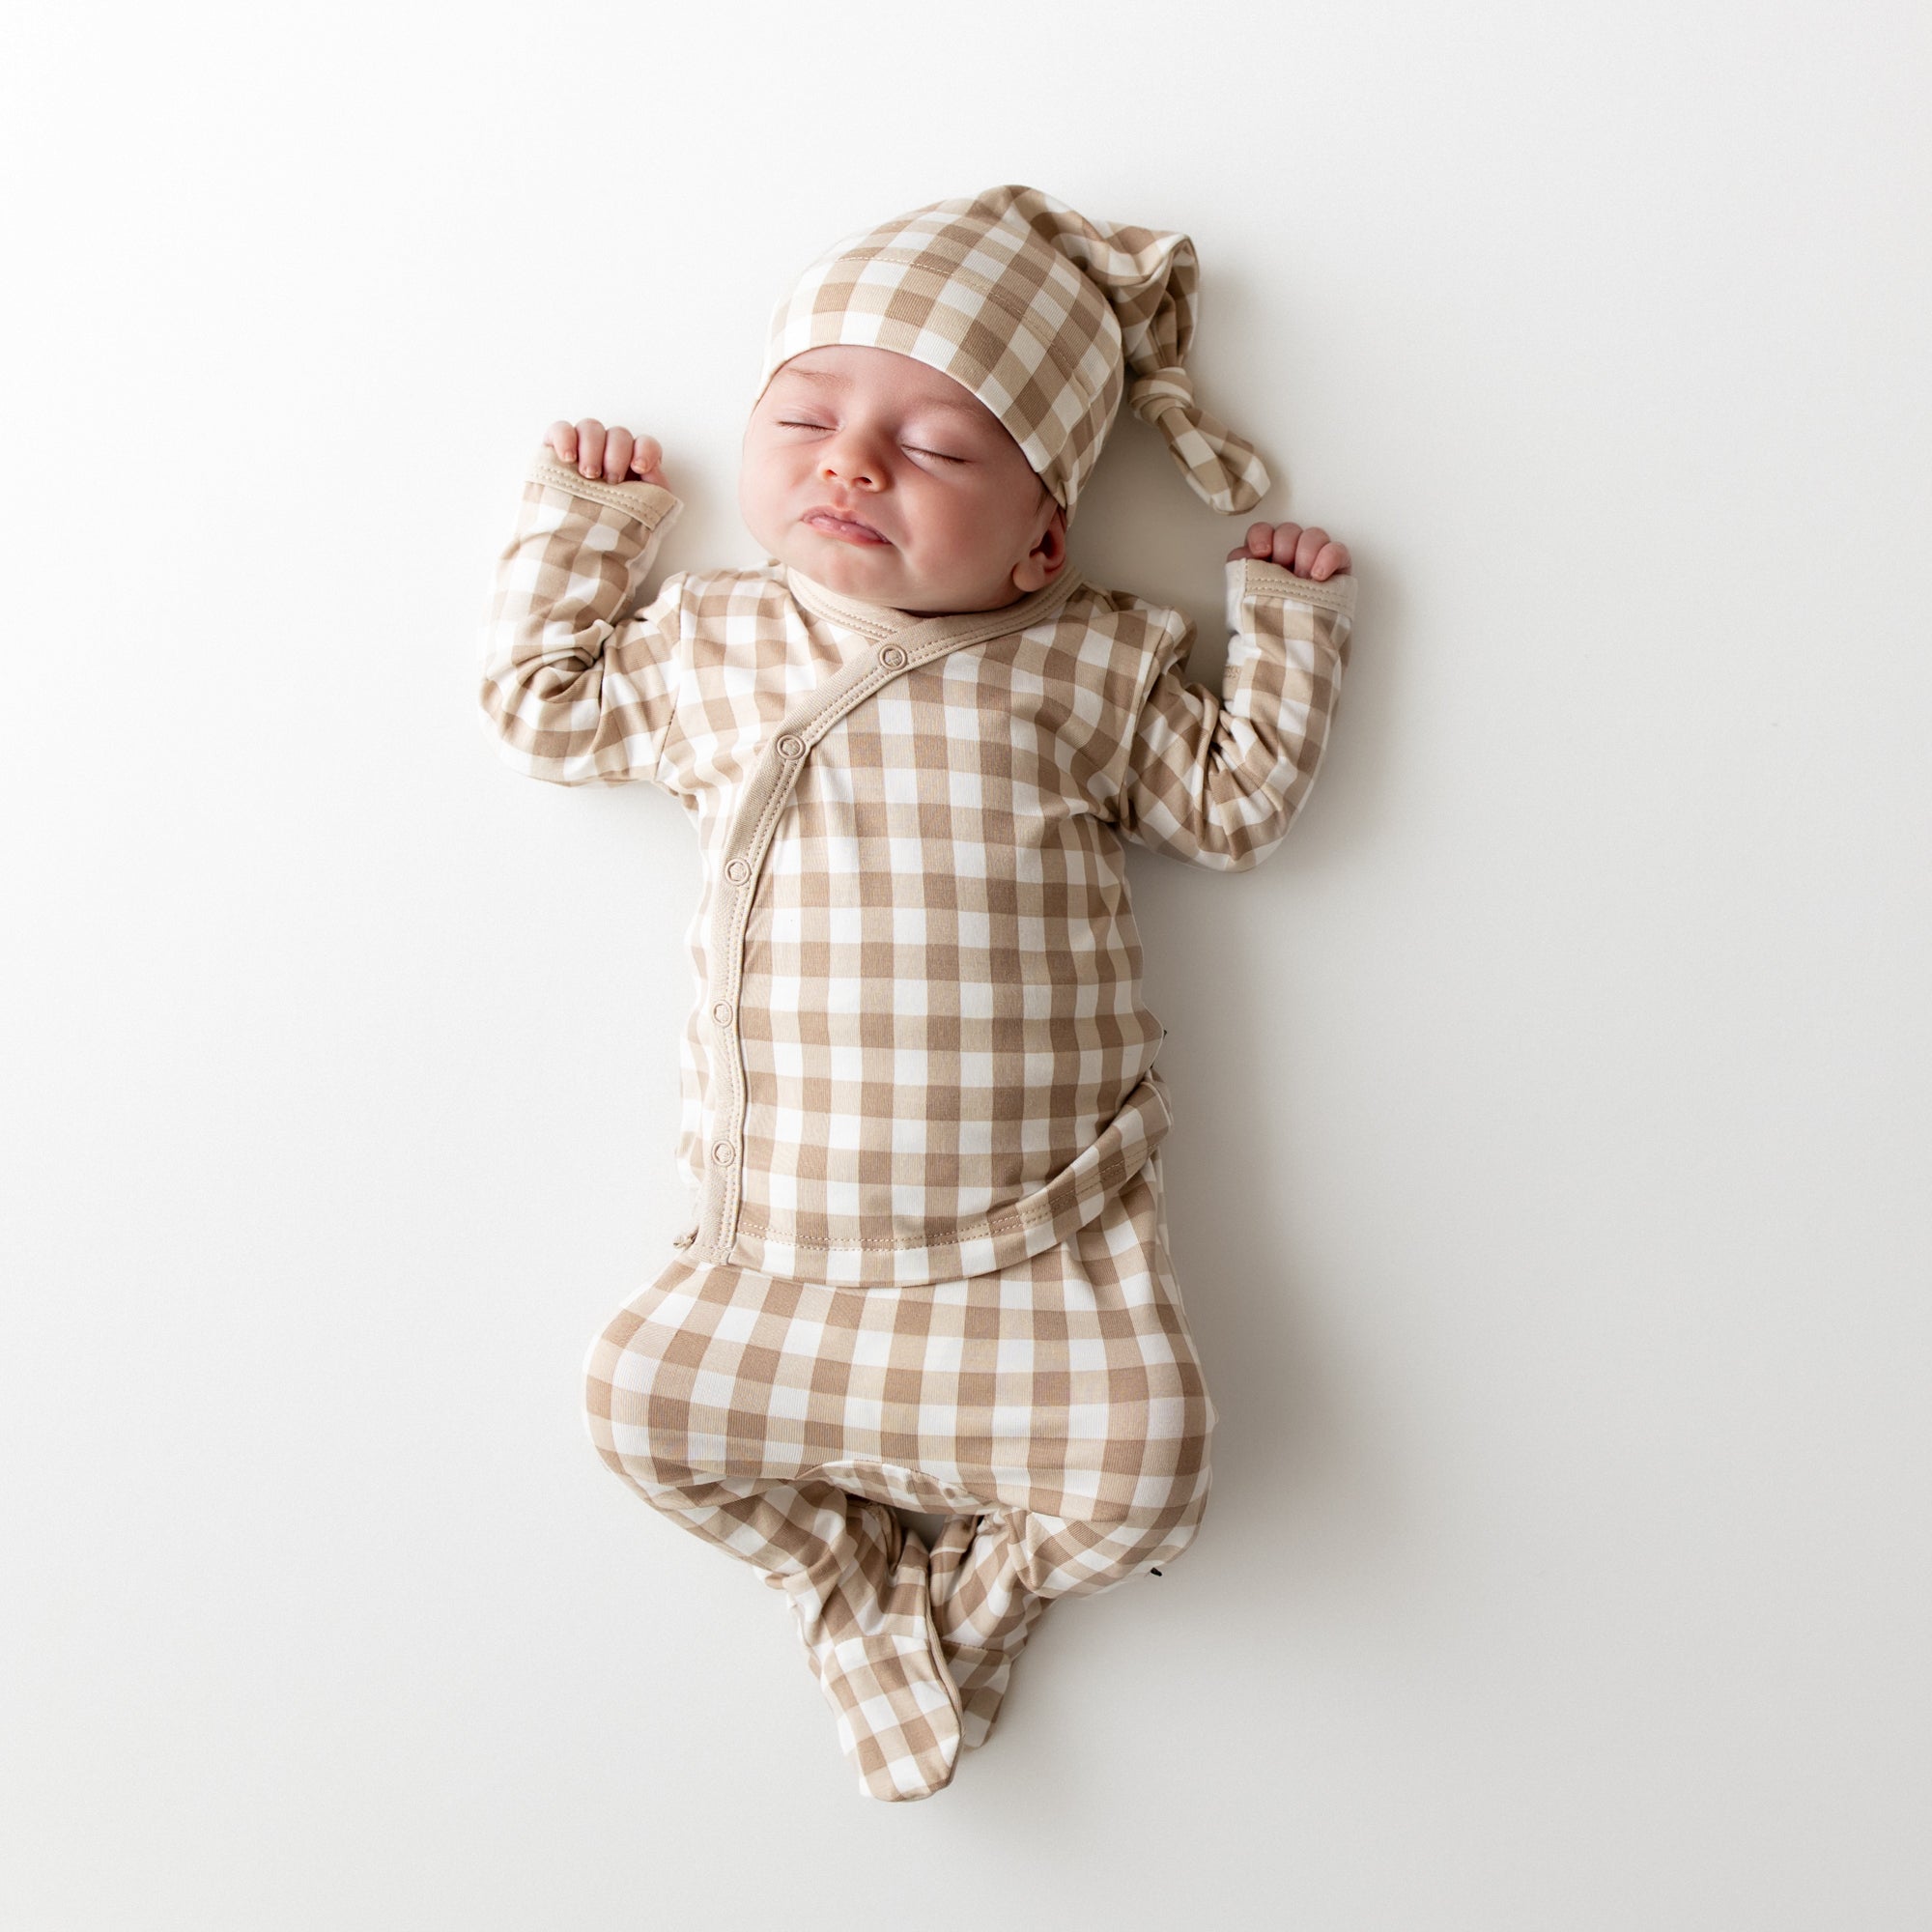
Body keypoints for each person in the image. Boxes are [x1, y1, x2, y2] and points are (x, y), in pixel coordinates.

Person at [479, 185, 1355, 1801]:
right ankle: (857, 1587)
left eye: (935, 447)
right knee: (636, 1405)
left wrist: (1285, 631)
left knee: (1147, 1483)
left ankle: (970, 1602)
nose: (850, 462)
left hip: (1045, 1245)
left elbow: (1230, 811)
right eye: (806, 415)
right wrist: (591, 529)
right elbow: (542, 714)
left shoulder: (1086, 664)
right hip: (780, 1255)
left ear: (1045, 535)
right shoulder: (718, 644)